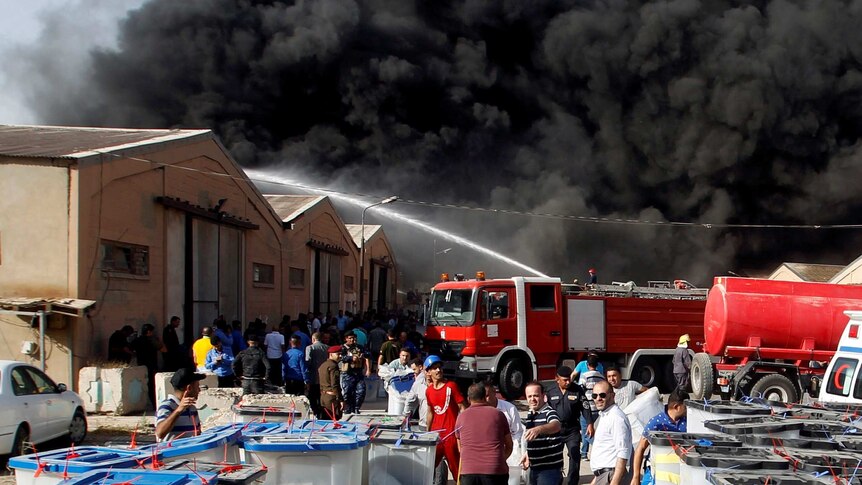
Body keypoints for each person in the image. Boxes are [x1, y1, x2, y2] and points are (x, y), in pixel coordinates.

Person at [456, 382, 513, 485]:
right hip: (495, 471)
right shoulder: (498, 414)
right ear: (484, 397)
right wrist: (499, 459)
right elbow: (509, 444)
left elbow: (460, 448)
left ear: (468, 399)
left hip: (469, 472)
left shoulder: (461, 417)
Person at [630, 389, 689, 485]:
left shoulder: (688, 422)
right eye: (686, 407)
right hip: (656, 470)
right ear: (677, 407)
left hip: (679, 472)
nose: (688, 410)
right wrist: (636, 476)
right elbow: (640, 448)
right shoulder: (656, 423)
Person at [545, 366, 591, 483]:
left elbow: (585, 407)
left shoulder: (578, 390)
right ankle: (557, 479)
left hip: (572, 429)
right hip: (556, 430)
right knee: (555, 456)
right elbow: (545, 410)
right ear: (557, 379)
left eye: (569, 379)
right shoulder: (550, 392)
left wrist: (590, 423)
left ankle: (573, 481)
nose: (568, 382)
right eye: (564, 380)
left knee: (574, 454)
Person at [425, 355, 467, 482]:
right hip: (436, 437)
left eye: (439, 367)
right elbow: (430, 412)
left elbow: (463, 408)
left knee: (457, 470)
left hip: (451, 436)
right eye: (434, 368)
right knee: (427, 467)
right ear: (428, 372)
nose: (438, 370)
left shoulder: (451, 386)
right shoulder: (429, 391)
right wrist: (427, 433)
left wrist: (464, 431)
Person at [589, 380, 633, 485]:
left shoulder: (616, 418)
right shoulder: (605, 415)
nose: (598, 399)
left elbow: (623, 453)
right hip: (604, 476)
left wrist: (614, 482)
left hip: (611, 477)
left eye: (602, 395)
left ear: (612, 395)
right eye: (594, 396)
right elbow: (606, 453)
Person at [520, 381, 563, 485]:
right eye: (529, 396)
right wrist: (528, 454)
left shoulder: (549, 412)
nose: (532, 399)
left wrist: (539, 429)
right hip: (534, 468)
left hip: (549, 470)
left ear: (543, 396)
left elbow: (556, 425)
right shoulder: (531, 414)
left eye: (536, 396)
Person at [484, 380, 525, 485]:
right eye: (483, 396)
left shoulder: (509, 408)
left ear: (494, 392)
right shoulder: (481, 411)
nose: (485, 399)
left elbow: (517, 433)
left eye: (488, 395)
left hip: (508, 451)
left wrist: (513, 454)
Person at [155, 367, 204, 441]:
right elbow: (160, 433)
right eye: (197, 386)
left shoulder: (192, 409)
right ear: (189, 388)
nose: (199, 390)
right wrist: (178, 411)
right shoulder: (167, 406)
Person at [578, 354, 605, 460]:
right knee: (594, 430)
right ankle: (584, 453)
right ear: (597, 365)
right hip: (597, 409)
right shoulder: (601, 377)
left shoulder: (585, 376)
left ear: (588, 364)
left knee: (586, 431)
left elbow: (581, 390)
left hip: (587, 409)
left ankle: (594, 449)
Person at [134, 323, 166, 407]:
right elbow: (164, 350)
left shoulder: (137, 340)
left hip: (141, 366)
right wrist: (159, 341)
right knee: (152, 386)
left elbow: (131, 349)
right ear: (149, 332)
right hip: (151, 366)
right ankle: (155, 404)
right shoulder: (152, 341)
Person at [339, 331, 371, 414]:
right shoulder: (343, 348)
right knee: (347, 392)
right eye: (350, 338)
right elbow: (341, 357)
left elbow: (368, 354)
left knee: (361, 391)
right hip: (347, 373)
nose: (352, 340)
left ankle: (356, 407)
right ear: (346, 339)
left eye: (353, 338)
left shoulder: (359, 347)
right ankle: (348, 408)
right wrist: (350, 358)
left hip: (358, 373)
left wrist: (363, 356)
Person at [379, 348, 414, 415]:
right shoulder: (394, 364)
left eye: (407, 356)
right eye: (403, 355)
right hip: (395, 389)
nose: (405, 358)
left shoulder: (411, 364)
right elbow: (387, 375)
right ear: (399, 355)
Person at [306, 332, 329, 416]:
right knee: (321, 395)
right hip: (324, 376)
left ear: (313, 339)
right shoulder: (327, 347)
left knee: (312, 395)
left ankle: (316, 411)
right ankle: (322, 411)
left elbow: (308, 361)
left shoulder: (310, 348)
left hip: (313, 375)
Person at [403, 357, 429, 428]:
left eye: (414, 369)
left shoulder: (419, 381)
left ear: (421, 367)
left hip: (425, 422)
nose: (413, 372)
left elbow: (410, 399)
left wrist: (406, 414)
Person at [319, 344, 344, 419]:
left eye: (340, 354)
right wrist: (340, 399)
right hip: (332, 397)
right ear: (331, 355)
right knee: (333, 419)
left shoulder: (323, 365)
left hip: (323, 396)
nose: (340, 356)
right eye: (338, 354)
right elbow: (335, 384)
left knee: (325, 419)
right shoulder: (333, 366)